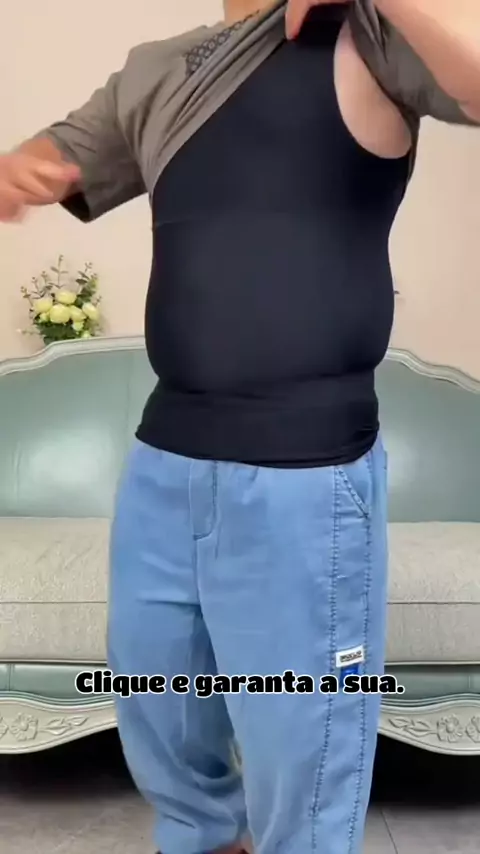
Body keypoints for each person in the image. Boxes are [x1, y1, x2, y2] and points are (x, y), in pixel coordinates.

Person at [1, 2, 479, 852]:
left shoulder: (367, 36)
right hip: (164, 462)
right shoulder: (156, 69)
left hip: (305, 472)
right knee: (162, 716)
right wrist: (19, 173)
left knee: (303, 753)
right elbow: (44, 162)